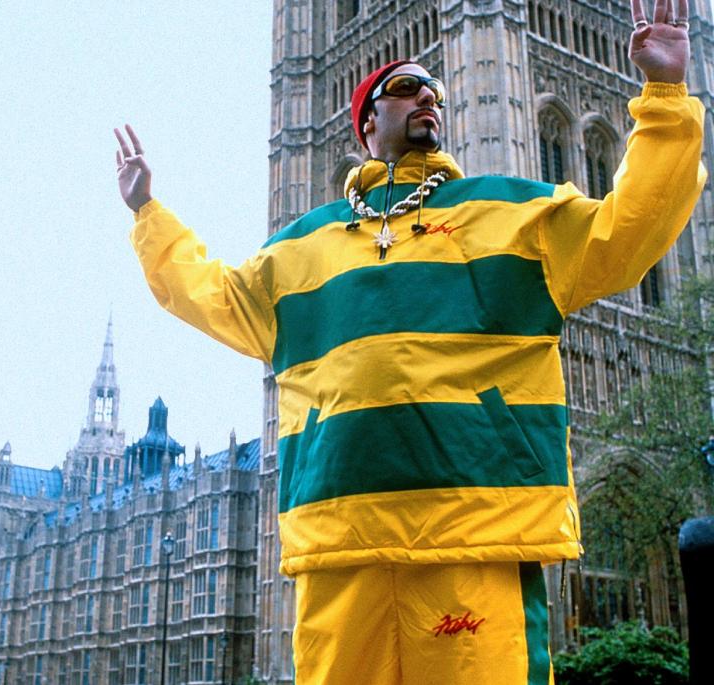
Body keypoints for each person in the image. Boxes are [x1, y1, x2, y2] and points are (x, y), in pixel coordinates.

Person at [115, 0, 705, 682]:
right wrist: (148, 214)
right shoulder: (301, 246)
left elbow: (629, 229)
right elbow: (207, 292)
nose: (428, 96)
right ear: (366, 122)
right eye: (406, 86)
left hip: (474, 534)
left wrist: (666, 94)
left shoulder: (507, 211)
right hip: (341, 546)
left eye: (436, 91)